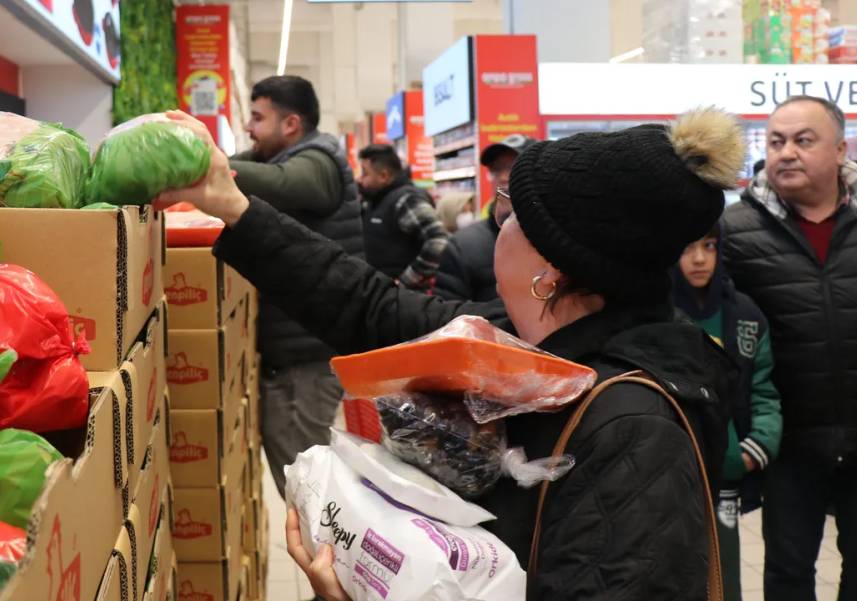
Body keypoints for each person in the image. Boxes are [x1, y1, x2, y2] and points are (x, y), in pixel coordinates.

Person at [158, 106, 743, 599]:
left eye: (513, 214)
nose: (495, 220)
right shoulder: (504, 339)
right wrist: (230, 204)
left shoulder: (635, 428)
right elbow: (370, 310)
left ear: (552, 270)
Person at [721, 95, 857, 600]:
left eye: (804, 141)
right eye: (776, 141)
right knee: (787, 571)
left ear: (840, 149)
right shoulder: (736, 231)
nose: (786, 153)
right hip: (788, 440)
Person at [228, 75, 363, 495]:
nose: (249, 128)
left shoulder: (320, 159)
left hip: (309, 355)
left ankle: (328, 559)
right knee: (297, 471)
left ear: (290, 125)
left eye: (257, 118)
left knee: (304, 482)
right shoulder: (278, 156)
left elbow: (287, 184)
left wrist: (206, 168)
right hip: (298, 348)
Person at [672, 224, 783, 601]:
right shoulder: (659, 318)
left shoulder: (746, 316)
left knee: (725, 575)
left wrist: (753, 451)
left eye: (709, 246)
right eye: (688, 247)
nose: (700, 258)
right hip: (670, 474)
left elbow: (766, 389)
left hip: (727, 481)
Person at [434, 135, 535, 302]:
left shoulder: (560, 235)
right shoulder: (463, 245)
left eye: (513, 167)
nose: (502, 177)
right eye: (496, 169)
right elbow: (449, 314)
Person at [357, 144, 449, 289]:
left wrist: (406, 281)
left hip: (406, 300)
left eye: (364, 173)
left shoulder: (406, 199)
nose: (360, 179)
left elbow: (439, 241)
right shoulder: (375, 200)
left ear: (383, 176)